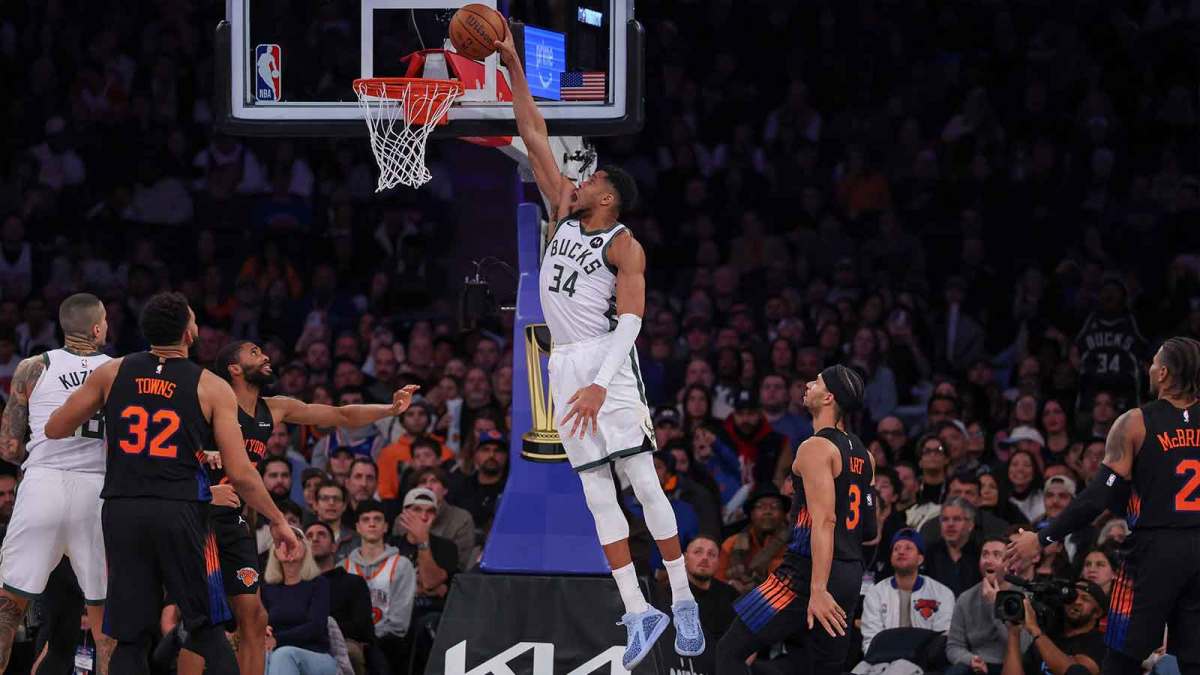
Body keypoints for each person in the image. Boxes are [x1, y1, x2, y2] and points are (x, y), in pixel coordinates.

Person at [498, 26, 707, 665]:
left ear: (608, 195)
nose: (577, 180)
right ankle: (637, 610)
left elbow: (633, 323)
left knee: (641, 479)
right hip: (562, 363)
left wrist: (598, 380)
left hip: (604, 362)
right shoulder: (562, 209)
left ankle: (681, 599)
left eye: (589, 180)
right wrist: (510, 63)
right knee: (595, 492)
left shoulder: (623, 244)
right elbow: (533, 132)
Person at [44, 291, 300, 673]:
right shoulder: (211, 386)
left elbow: (55, 427)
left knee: (130, 637)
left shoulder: (112, 372)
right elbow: (243, 472)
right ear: (189, 333)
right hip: (181, 512)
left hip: (123, 509)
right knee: (206, 628)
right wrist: (278, 520)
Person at [209, 338, 417, 675]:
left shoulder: (273, 407)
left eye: (263, 350)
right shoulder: (212, 403)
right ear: (234, 368)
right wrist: (205, 486)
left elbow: (340, 415)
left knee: (254, 618)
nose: (265, 356)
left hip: (236, 517)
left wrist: (389, 410)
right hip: (199, 514)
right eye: (254, 353)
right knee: (200, 625)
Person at [1008, 337, 1200, 674]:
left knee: (1121, 658)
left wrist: (1041, 538)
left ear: (1165, 373)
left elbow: (1099, 496)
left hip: (1153, 552)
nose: (1150, 369)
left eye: (1154, 363)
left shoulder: (1136, 422)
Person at [717, 365, 876, 675]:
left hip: (805, 573)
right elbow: (870, 532)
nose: (807, 384)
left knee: (729, 652)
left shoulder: (815, 447)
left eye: (815, 382)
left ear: (829, 397)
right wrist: (844, 576)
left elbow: (825, 520)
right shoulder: (865, 456)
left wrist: (818, 588)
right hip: (848, 572)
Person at [0, 293, 116, 673]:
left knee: (8, 608)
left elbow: (9, 445)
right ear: (98, 328)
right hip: (97, 489)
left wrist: (41, 460)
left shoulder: (33, 367)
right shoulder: (120, 369)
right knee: (103, 618)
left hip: (42, 485)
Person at [341, 500, 415, 672]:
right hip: (350, 643)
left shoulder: (401, 565)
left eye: (377, 519)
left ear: (386, 526)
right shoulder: (343, 567)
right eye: (366, 520)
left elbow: (400, 624)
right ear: (358, 527)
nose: (372, 523)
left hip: (388, 643)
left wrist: (369, 640)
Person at [946, 534, 1035, 675]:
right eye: (985, 555)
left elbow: (1023, 647)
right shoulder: (966, 598)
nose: (988, 561)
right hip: (977, 665)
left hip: (1013, 665)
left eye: (997, 555)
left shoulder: (1023, 597)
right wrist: (970, 659)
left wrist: (995, 605)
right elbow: (954, 646)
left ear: (1009, 563)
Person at [860, 529, 955, 654]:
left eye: (908, 548)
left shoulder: (942, 594)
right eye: (896, 548)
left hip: (925, 663)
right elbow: (870, 641)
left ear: (920, 559)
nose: (901, 551)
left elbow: (943, 638)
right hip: (883, 661)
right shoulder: (876, 593)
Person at [261, 526, 339, 675]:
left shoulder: (318, 584)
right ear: (275, 552)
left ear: (305, 548)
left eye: (294, 539)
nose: (288, 544)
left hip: (316, 655)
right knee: (263, 657)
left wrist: (278, 639)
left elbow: (316, 626)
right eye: (281, 541)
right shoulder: (267, 589)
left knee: (283, 654)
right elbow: (261, 623)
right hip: (275, 653)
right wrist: (262, 629)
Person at [305, 522, 374, 675]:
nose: (315, 539)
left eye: (321, 534)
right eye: (309, 536)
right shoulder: (297, 585)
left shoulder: (353, 582)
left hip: (344, 644)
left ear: (334, 546)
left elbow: (362, 627)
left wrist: (324, 629)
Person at [1000, 580, 1107, 675]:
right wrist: (1014, 632)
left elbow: (1073, 671)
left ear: (1097, 613)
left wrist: (1036, 630)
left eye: (1085, 599)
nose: (1076, 602)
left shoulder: (1101, 643)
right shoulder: (1049, 637)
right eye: (1072, 597)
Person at [394, 467, 476, 572]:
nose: (428, 486)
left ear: (445, 489)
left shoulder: (462, 519)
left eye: (434, 481)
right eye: (422, 482)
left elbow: (460, 565)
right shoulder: (402, 519)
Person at [716, 485, 789, 594]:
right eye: (760, 507)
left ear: (784, 514)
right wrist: (731, 584)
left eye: (774, 507)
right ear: (751, 514)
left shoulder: (794, 545)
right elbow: (717, 582)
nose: (767, 511)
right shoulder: (731, 544)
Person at [668, 535, 737, 640]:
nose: (705, 558)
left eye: (712, 554)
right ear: (684, 558)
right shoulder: (668, 594)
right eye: (698, 552)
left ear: (718, 563)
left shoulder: (731, 595)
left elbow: (748, 636)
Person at [924, 497, 982, 596]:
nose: (950, 524)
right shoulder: (929, 554)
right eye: (945, 519)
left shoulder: (980, 554)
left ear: (970, 525)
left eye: (957, 519)